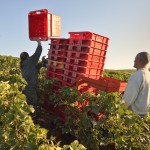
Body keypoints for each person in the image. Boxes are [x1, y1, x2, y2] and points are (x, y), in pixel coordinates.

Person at [20, 39, 47, 116]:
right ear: (27, 56)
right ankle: (30, 118)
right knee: (33, 103)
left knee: (27, 103)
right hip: (30, 88)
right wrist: (39, 43)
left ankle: (26, 116)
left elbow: (35, 68)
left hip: (25, 88)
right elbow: (37, 53)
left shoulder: (24, 64)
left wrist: (42, 63)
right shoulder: (29, 61)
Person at [122, 52, 150, 116]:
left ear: (140, 61)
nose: (134, 61)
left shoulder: (136, 76)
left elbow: (128, 98)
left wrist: (119, 109)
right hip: (145, 113)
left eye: (135, 59)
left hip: (134, 114)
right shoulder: (148, 74)